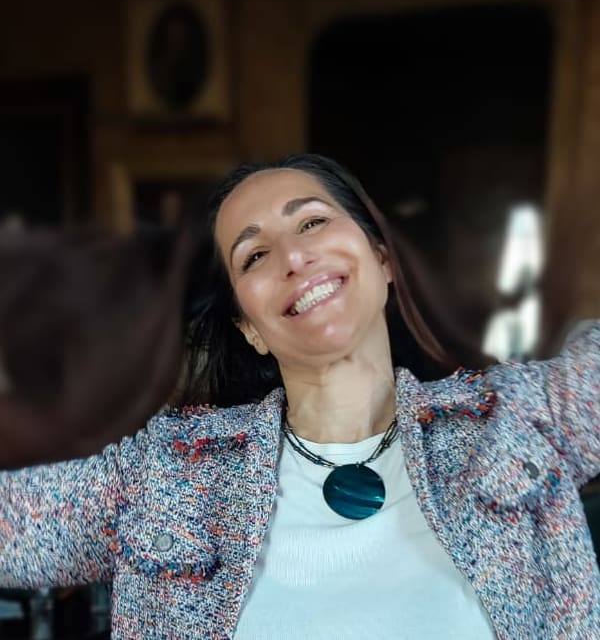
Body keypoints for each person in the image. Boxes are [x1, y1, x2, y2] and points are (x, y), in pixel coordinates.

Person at [0, 153, 599, 639]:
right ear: (249, 328)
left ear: (382, 260)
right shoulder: (165, 476)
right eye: (255, 255)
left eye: (312, 222)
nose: (293, 256)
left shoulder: (523, 418)